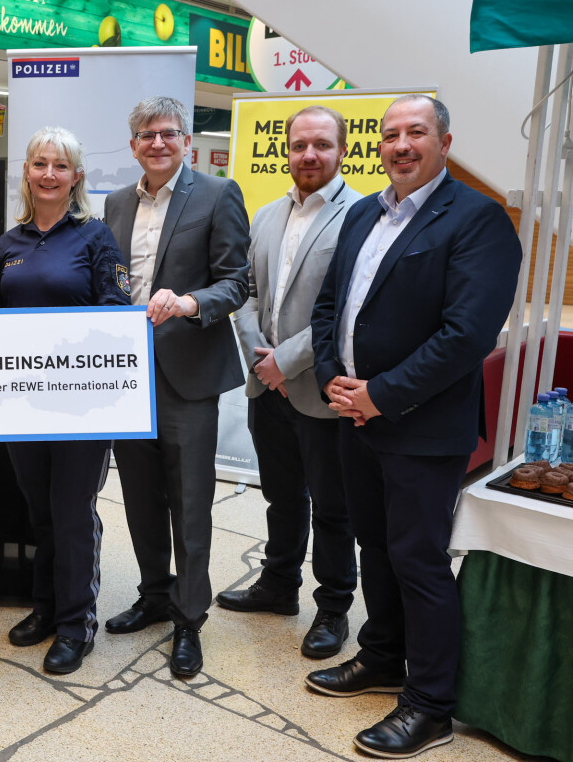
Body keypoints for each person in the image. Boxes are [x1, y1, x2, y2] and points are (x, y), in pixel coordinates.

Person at [307, 95, 521, 758]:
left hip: (423, 429)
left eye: (416, 133)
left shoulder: (480, 220)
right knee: (376, 546)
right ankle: (382, 655)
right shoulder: (364, 214)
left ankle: (430, 705)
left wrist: (381, 394)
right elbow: (328, 307)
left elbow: (466, 336)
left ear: (445, 141)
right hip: (356, 419)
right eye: (391, 134)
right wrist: (330, 379)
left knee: (419, 561)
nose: (401, 144)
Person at [102, 96, 249, 678]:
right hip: (122, 375)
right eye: (145, 134)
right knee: (139, 498)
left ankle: (190, 619)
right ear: (133, 143)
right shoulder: (114, 203)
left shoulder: (216, 194)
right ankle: (155, 595)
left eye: (167, 133)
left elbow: (238, 282)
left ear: (186, 140)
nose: (157, 143)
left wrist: (190, 303)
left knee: (189, 503)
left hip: (187, 374)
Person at [0, 126, 130, 674]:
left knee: (72, 513)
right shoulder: (11, 242)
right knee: (39, 510)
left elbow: (117, 310)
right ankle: (44, 606)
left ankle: (76, 623)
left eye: (60, 166)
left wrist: (61, 337)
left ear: (77, 177)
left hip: (82, 406)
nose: (48, 174)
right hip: (23, 404)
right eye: (39, 164)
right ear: (26, 172)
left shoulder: (95, 237)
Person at [218, 106, 361, 660]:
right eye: (299, 145)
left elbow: (346, 308)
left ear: (342, 151)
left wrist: (287, 361)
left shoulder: (359, 216)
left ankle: (333, 607)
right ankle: (279, 586)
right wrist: (262, 362)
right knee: (280, 495)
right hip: (267, 385)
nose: (309, 155)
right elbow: (248, 292)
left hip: (319, 387)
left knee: (331, 505)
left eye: (321, 145)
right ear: (287, 151)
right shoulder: (267, 215)